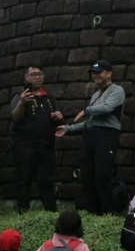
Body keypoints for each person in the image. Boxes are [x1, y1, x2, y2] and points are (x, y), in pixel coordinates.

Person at [56, 59, 126, 214]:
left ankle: (108, 212)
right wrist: (68, 129)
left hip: (107, 136)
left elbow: (107, 108)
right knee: (87, 175)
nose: (96, 76)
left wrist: (87, 110)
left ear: (109, 73)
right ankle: (92, 211)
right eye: (93, 73)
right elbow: (89, 123)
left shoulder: (117, 90)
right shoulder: (95, 95)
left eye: (99, 72)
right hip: (90, 136)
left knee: (102, 174)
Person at [10, 63, 64, 212]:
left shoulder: (49, 98)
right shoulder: (19, 96)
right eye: (33, 74)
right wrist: (22, 102)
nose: (37, 77)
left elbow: (56, 120)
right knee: (24, 179)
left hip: (46, 145)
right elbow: (15, 118)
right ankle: (23, 211)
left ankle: (51, 212)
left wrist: (58, 117)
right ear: (26, 77)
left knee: (46, 180)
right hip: (24, 144)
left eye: (40, 74)